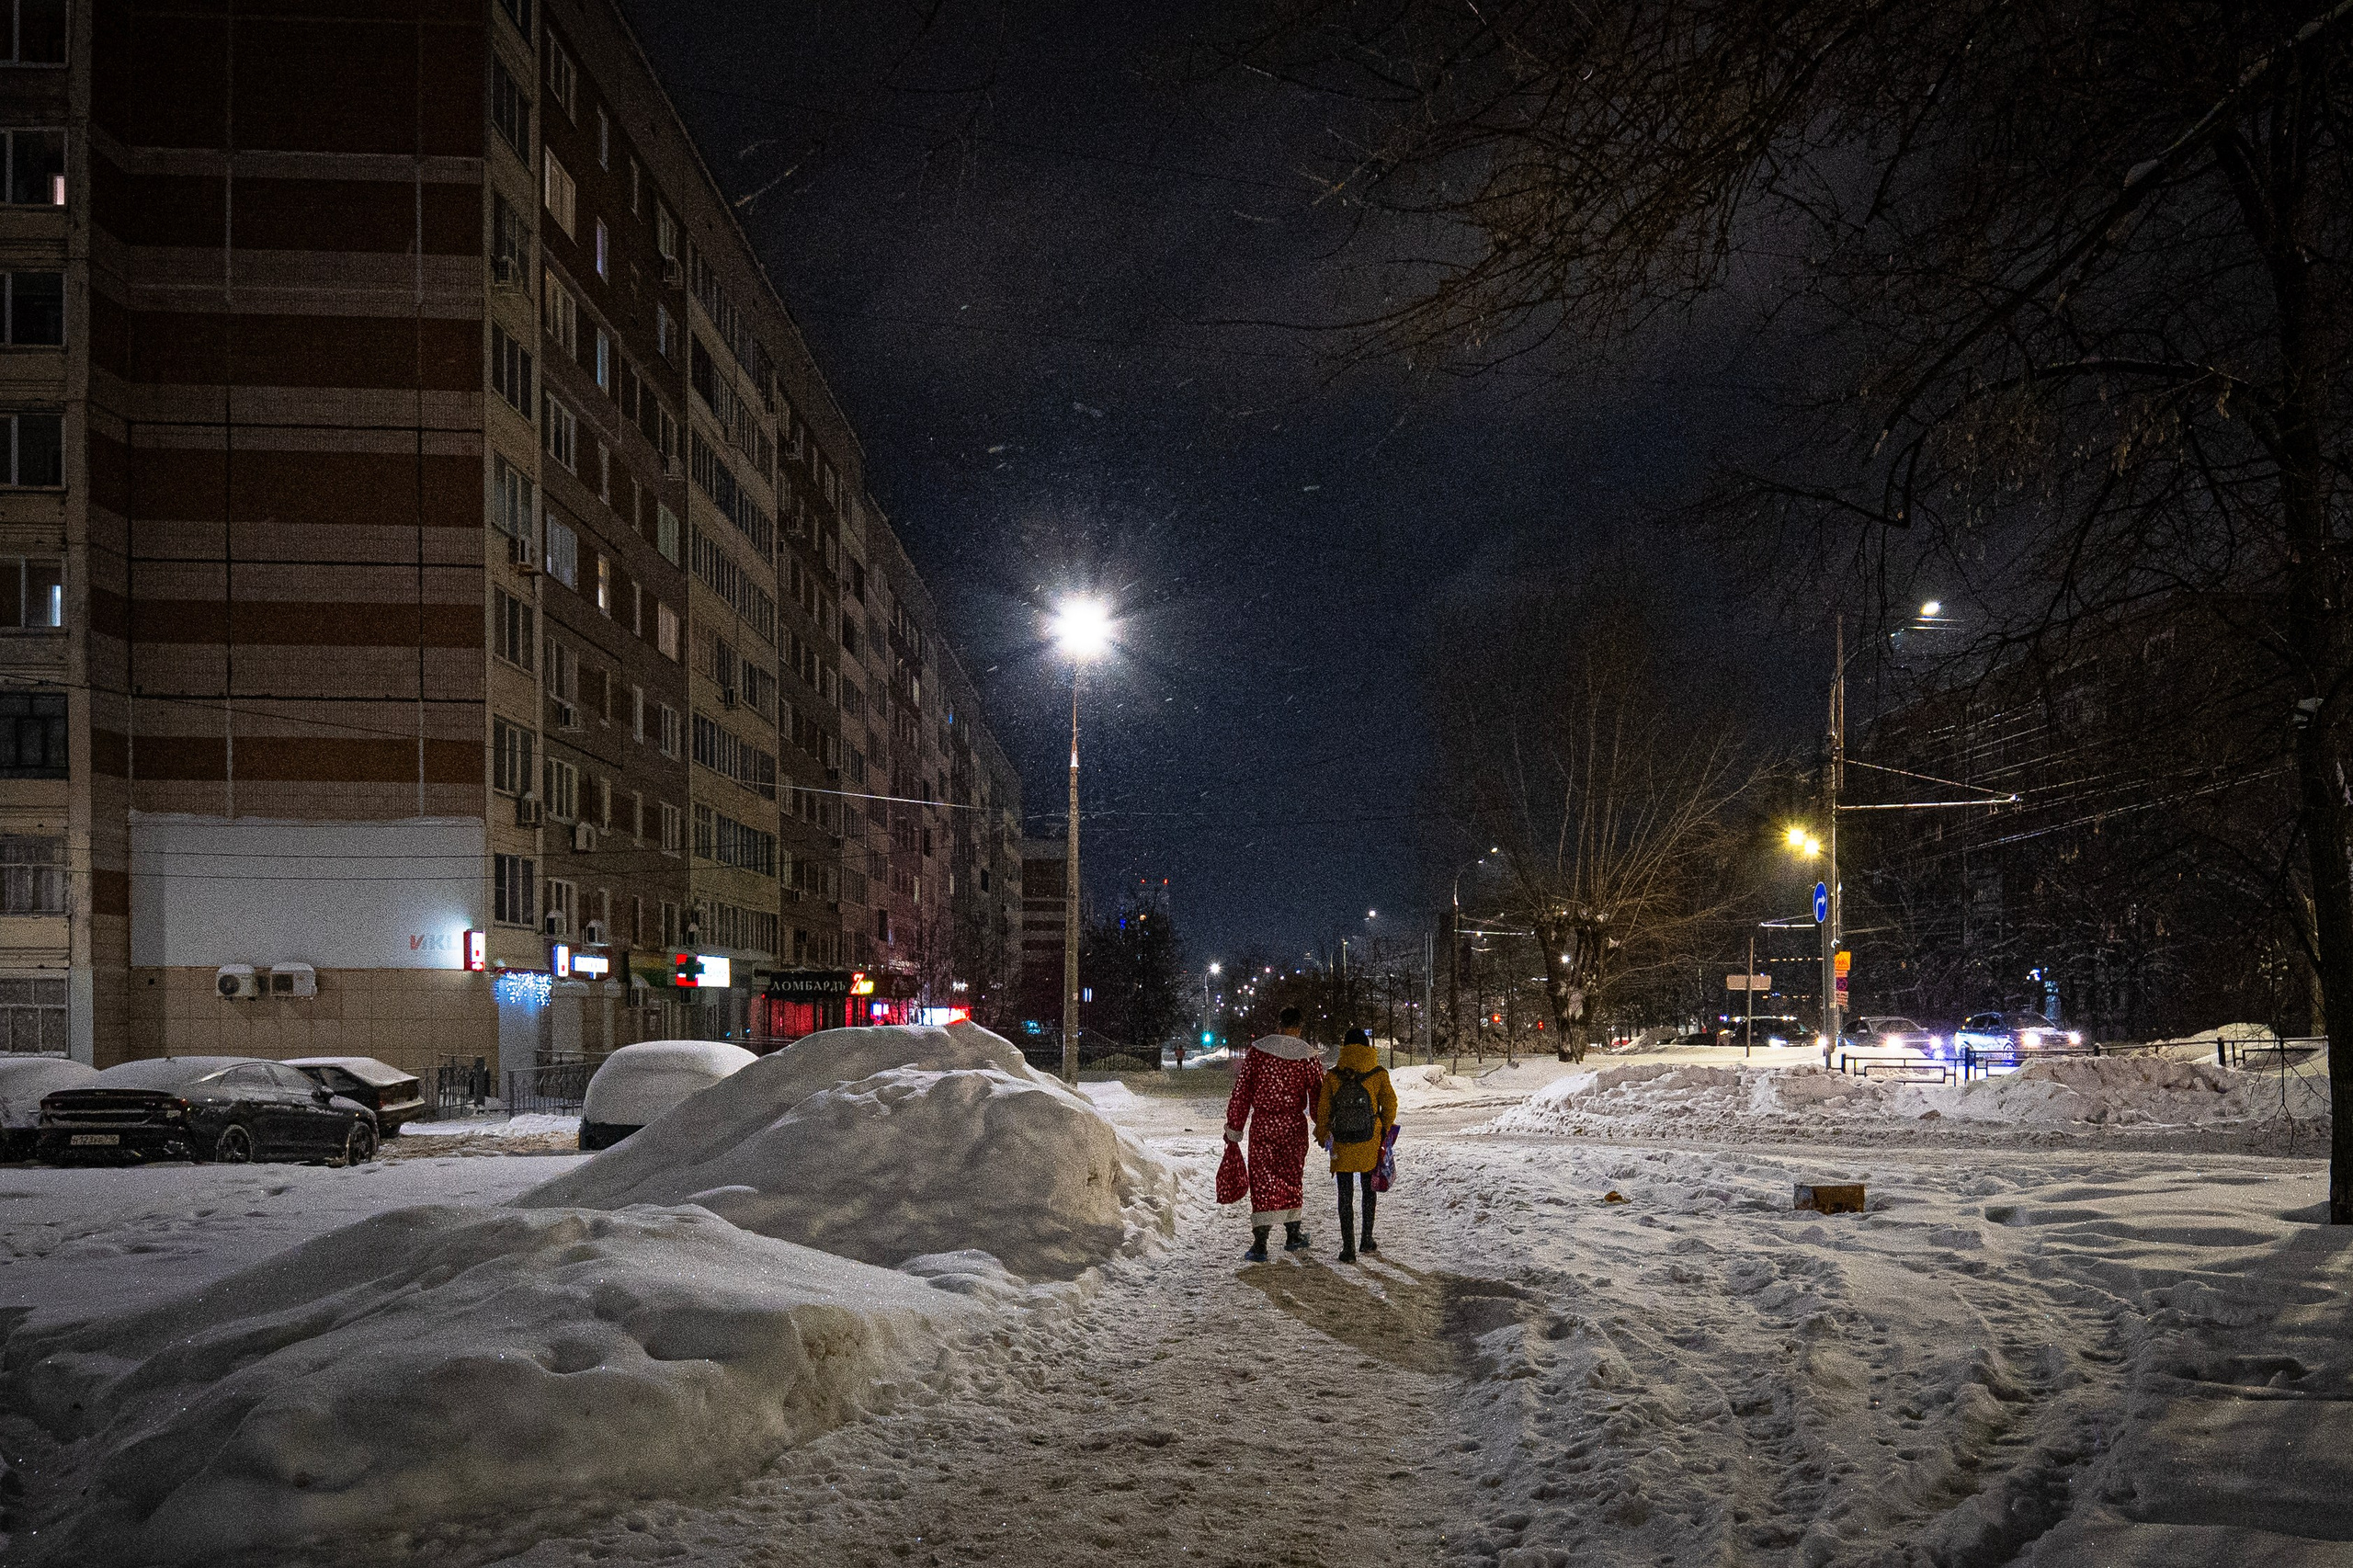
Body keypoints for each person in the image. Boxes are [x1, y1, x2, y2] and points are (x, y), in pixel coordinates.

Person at [1223, 1006, 1326, 1262]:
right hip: (1293, 1126)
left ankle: (1260, 1244)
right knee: (1292, 1177)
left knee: (1262, 1179)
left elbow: (1242, 1090)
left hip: (1264, 1125)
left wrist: (1234, 1127)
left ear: (1278, 1025)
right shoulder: (1307, 1056)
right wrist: (1323, 1125)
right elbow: (1317, 1095)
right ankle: (1293, 1235)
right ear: (1300, 1028)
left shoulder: (1258, 1052)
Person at [1313, 1026, 1398, 1262]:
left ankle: (1348, 1249)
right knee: (1369, 1191)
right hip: (1370, 1140)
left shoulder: (1333, 1075)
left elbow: (1323, 1111)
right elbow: (1390, 1105)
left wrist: (1323, 1135)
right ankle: (1366, 1240)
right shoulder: (1378, 1073)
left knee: (1345, 1195)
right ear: (1367, 1046)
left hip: (1341, 1144)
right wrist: (1384, 1128)